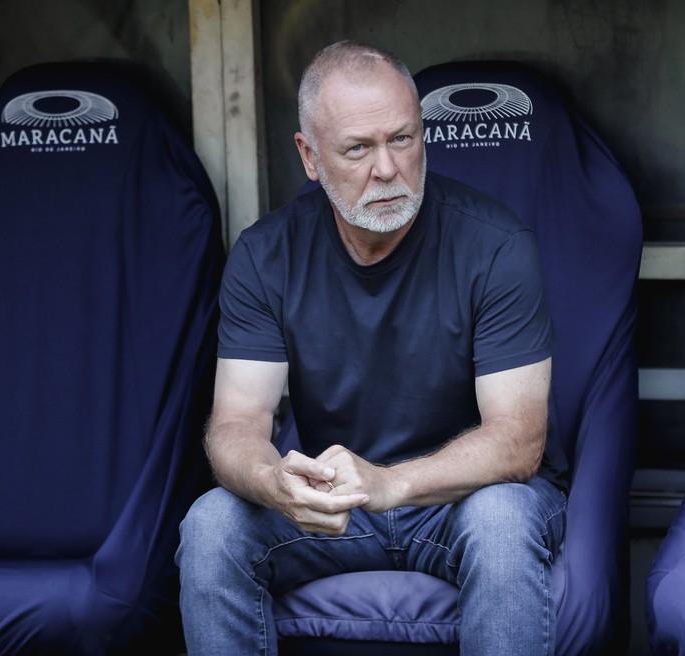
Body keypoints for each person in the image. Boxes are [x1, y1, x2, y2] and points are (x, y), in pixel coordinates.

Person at [176, 40, 569, 656]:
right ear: (309, 156)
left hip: (465, 499)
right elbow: (235, 423)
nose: (386, 169)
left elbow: (519, 440)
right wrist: (272, 481)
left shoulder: (495, 245)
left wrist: (390, 484)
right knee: (212, 525)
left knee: (502, 521)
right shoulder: (266, 255)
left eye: (403, 139)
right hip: (340, 500)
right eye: (357, 148)